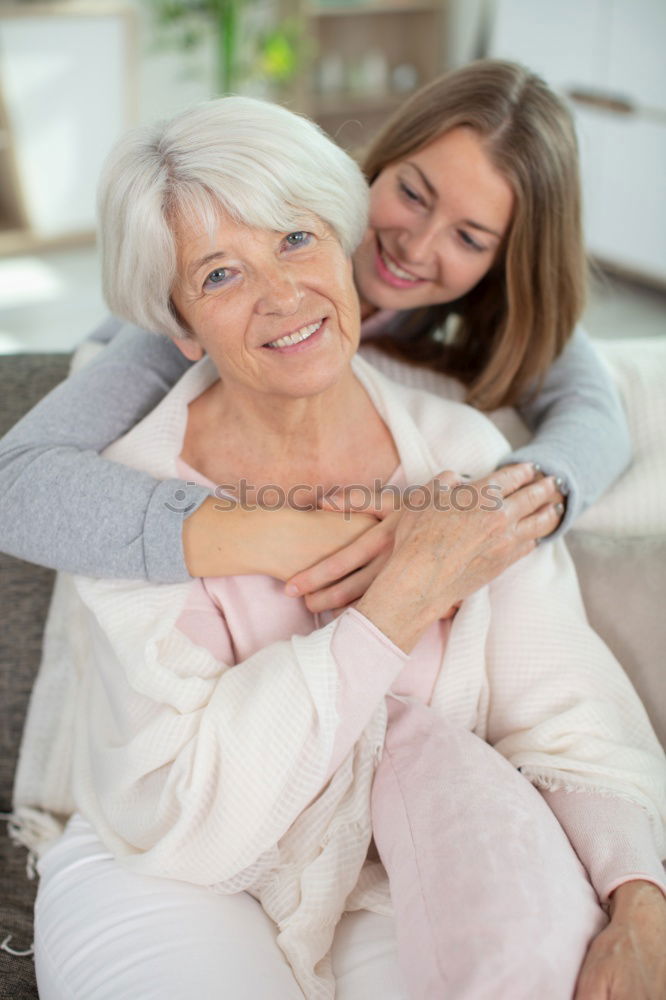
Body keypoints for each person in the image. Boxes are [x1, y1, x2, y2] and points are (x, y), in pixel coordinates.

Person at [17, 96, 666, 1000]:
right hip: (172, 860)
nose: (282, 294)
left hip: (389, 851)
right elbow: (192, 809)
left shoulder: (463, 458)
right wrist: (394, 586)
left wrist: (644, 903)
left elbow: (571, 716)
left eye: (294, 239)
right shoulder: (124, 483)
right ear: (176, 322)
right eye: (218, 275)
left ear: (334, 230)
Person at [0, 60, 630, 610]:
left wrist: (512, 503)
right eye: (412, 193)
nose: (415, 244)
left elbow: (593, 412)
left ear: (505, 262)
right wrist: (293, 535)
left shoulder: (494, 313)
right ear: (378, 165)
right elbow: (17, 484)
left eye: (469, 238)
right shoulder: (208, 311)